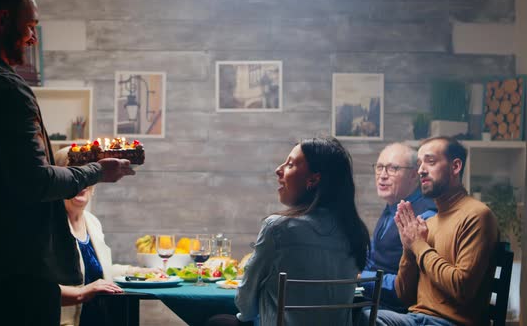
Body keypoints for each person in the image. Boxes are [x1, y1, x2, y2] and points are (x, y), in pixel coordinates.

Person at [0, 0, 134, 325]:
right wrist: (98, 170)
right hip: (13, 281)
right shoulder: (7, 89)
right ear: (2, 20)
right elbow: (36, 181)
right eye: (30, 26)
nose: (34, 38)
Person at [209, 137, 371, 326]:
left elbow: (245, 308)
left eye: (290, 164)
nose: (278, 170)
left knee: (215, 322)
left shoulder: (277, 228)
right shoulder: (354, 230)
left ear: (313, 179)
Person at [359, 137, 498, 326]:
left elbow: (461, 288)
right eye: (419, 163)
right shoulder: (429, 222)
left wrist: (418, 245)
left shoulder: (477, 215)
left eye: (430, 162)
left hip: (450, 322)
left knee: (366, 319)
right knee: (356, 315)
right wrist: (408, 248)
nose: (421, 170)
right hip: (416, 317)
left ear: (455, 167)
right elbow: (405, 295)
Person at [53, 147, 158, 326]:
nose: (82, 182)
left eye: (86, 173)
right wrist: (82, 292)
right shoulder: (48, 226)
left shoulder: (92, 221)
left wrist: (139, 272)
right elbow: (32, 289)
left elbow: (96, 272)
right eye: (74, 174)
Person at [360, 143, 436, 312]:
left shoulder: (424, 217)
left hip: (395, 308)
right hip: (374, 295)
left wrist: (359, 278)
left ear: (414, 175)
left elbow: (410, 285)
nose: (382, 176)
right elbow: (373, 256)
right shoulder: (393, 205)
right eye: (379, 167)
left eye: (393, 168)